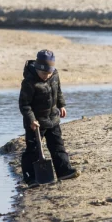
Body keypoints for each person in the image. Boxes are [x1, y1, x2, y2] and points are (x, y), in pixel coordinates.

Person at [19, 49, 79, 185]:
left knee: (58, 145)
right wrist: (31, 119)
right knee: (33, 150)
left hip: (53, 119)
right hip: (35, 123)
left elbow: (58, 91)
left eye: (49, 73)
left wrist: (61, 105)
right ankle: (31, 177)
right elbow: (24, 104)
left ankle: (64, 171)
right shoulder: (29, 82)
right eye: (43, 73)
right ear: (37, 69)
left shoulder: (55, 75)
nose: (46, 76)